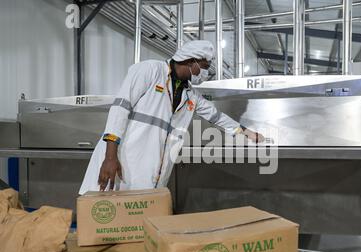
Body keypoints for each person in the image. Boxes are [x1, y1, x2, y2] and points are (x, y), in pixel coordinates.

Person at [79, 40, 263, 194]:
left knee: (136, 219)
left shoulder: (190, 94)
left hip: (152, 165)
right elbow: (120, 108)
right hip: (121, 156)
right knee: (105, 216)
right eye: (205, 67)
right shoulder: (149, 70)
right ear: (192, 61)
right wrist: (110, 157)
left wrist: (245, 132)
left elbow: (215, 115)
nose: (205, 73)